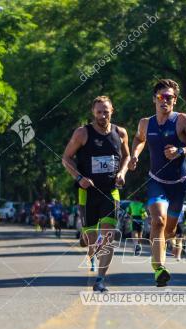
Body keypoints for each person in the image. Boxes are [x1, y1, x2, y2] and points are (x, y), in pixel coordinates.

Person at [128, 79, 186, 286]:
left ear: (175, 100)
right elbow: (138, 139)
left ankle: (160, 246)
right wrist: (134, 155)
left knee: (170, 230)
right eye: (161, 97)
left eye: (169, 97)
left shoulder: (182, 120)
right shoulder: (146, 123)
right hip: (156, 180)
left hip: (179, 183)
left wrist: (181, 151)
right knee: (158, 221)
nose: (165, 101)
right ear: (154, 99)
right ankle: (159, 269)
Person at [62, 95, 130, 292]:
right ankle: (86, 238)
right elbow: (66, 158)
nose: (102, 115)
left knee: (108, 236)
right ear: (93, 112)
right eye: (99, 112)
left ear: (112, 111)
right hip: (87, 192)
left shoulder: (120, 132)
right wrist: (79, 178)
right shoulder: (83, 133)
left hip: (111, 191)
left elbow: (126, 156)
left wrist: (122, 172)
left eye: (106, 111)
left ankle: (100, 279)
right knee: (92, 241)